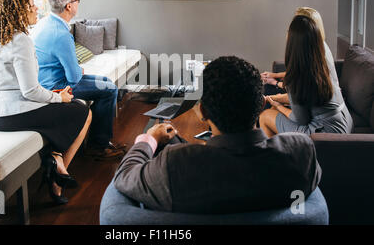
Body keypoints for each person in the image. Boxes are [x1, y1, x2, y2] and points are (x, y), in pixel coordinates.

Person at [113, 56, 321, 214]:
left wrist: (150, 139)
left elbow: (124, 177)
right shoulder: (301, 152)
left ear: (203, 111)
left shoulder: (176, 165)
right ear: (262, 104)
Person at [0, 0, 92, 205]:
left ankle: (54, 161)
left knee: (61, 112)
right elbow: (30, 91)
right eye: (31, 5)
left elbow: (13, 87)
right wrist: (60, 98)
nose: (36, 8)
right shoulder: (21, 39)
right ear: (18, 11)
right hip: (14, 114)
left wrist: (54, 94)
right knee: (82, 111)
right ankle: (58, 173)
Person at [31, 0, 125, 160]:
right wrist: (77, 69)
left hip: (49, 79)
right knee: (109, 90)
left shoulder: (46, 22)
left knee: (105, 81)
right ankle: (98, 146)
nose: (78, 3)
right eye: (77, 0)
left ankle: (99, 139)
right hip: (57, 86)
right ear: (68, 6)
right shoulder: (60, 33)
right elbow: (74, 77)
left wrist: (76, 69)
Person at [259, 15, 353, 136]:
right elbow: (302, 99)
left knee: (265, 116)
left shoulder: (297, 77)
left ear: (293, 43)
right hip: (344, 123)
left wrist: (278, 106)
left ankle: (272, 153)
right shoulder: (322, 64)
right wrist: (274, 99)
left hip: (326, 134)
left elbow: (301, 120)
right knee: (273, 110)